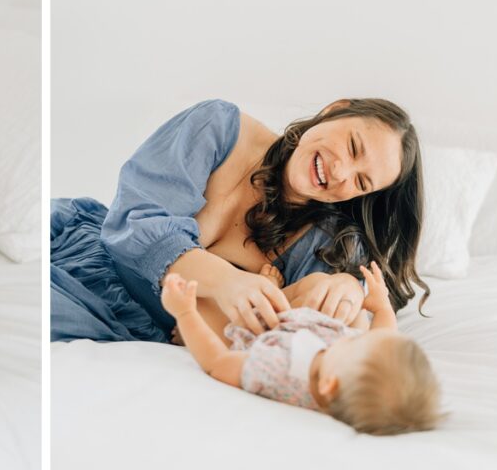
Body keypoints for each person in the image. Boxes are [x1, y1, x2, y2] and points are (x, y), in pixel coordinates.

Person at [51, 98, 427, 343]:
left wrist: (349, 288)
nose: (341, 172)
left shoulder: (323, 242)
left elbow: (345, 333)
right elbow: (134, 222)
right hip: (84, 257)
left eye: (361, 182)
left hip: (140, 326)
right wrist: (227, 281)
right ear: (334, 110)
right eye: (352, 146)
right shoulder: (217, 126)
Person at [160, 262, 442, 435]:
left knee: (207, 309)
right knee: (321, 287)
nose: (355, 336)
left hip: (250, 333)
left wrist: (186, 315)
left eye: (355, 341)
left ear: (329, 385)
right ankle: (270, 292)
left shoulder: (276, 371)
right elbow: (384, 333)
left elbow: (217, 362)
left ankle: (188, 329)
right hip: (297, 325)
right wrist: (381, 305)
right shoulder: (344, 364)